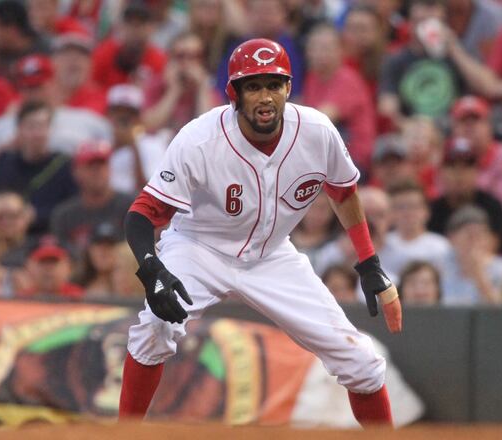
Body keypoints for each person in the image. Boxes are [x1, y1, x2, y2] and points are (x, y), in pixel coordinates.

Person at [118, 39, 401, 427]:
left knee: (362, 363)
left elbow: (343, 191)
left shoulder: (316, 131)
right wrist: (152, 271)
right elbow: (143, 213)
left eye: (273, 84)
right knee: (153, 329)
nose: (264, 96)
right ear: (234, 93)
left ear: (288, 87)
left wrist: (369, 262)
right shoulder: (200, 139)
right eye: (253, 86)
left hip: (271, 256)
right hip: (200, 247)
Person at [0, 100, 78, 236]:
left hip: (42, 236)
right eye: (32, 126)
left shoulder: (63, 165)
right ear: (20, 129)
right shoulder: (3, 162)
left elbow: (72, 209)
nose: (37, 134)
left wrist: (36, 215)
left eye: (43, 126)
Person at [302, 23, 376, 172]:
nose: (320, 54)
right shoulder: (312, 78)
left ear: (340, 51)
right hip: (329, 158)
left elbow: (321, 118)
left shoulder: (347, 79)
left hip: (354, 162)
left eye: (326, 48)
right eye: (315, 48)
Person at [449, 96, 502, 217]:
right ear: (453, 129)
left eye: (475, 121)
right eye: (463, 122)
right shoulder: (447, 161)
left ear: (489, 126)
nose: (469, 128)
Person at [50, 141, 134, 258]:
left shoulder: (132, 206)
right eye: (91, 166)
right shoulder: (64, 215)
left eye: (102, 165)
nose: (97, 172)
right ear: (76, 172)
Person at [428, 137, 502, 252]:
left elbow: (496, 247)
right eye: (452, 166)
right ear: (441, 172)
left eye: (467, 166)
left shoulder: (492, 206)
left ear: (477, 171)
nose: (459, 173)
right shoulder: (431, 210)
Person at [142, 31, 219, 134]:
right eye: (180, 56)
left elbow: (210, 130)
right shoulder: (156, 84)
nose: (187, 63)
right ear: (170, 59)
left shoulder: (207, 89)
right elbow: (148, 127)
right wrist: (174, 90)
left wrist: (201, 89)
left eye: (194, 57)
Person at [440, 205, 502, 305]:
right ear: (451, 238)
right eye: (469, 235)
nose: (474, 241)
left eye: (480, 234)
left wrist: (480, 276)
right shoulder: (440, 267)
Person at [105, 84, 168, 194]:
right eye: (118, 112)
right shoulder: (99, 141)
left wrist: (133, 146)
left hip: (133, 205)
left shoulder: (152, 144)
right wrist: (116, 146)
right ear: (109, 114)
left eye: (129, 114)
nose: (123, 118)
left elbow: (150, 192)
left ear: (139, 117)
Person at [385, 180, 452, 275]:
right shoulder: (382, 245)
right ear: (390, 212)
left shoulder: (442, 248)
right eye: (400, 207)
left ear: (426, 211)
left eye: (413, 206)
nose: (407, 213)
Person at [15, 242, 84, 299]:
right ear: (29, 268)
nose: (48, 269)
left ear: (68, 268)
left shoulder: (78, 296)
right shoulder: (22, 298)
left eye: (54, 263)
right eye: (42, 263)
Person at [74, 222, 122, 298]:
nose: (104, 250)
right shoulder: (75, 285)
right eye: (98, 244)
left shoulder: (134, 285)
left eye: (110, 244)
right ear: (89, 250)